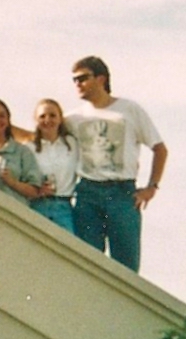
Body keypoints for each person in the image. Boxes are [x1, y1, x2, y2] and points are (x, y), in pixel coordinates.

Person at [64, 56, 167, 272]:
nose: (77, 84)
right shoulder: (73, 118)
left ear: (101, 79)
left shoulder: (128, 110)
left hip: (122, 193)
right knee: (87, 264)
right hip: (88, 194)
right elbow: (38, 135)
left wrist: (151, 188)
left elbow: (159, 149)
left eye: (82, 78)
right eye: (74, 80)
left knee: (126, 267)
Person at [20, 99, 78, 233]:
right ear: (36, 119)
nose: (47, 120)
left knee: (66, 249)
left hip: (64, 207)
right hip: (37, 205)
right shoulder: (28, 148)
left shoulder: (72, 144)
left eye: (52, 115)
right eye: (42, 116)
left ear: (60, 119)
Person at [0, 97, 44, 206]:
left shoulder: (22, 152)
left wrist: (12, 182)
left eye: (2, 116)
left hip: (13, 215)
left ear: (8, 122)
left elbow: (34, 191)